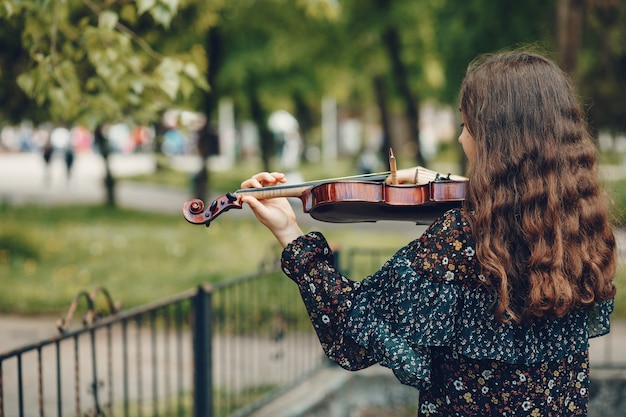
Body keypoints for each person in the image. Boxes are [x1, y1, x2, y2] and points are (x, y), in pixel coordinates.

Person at [239, 50, 617, 416]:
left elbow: (352, 330)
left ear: (497, 142)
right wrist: (446, 184)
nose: (461, 139)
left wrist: (289, 231)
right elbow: (523, 198)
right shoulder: (584, 231)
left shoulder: (461, 239)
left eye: (467, 126)